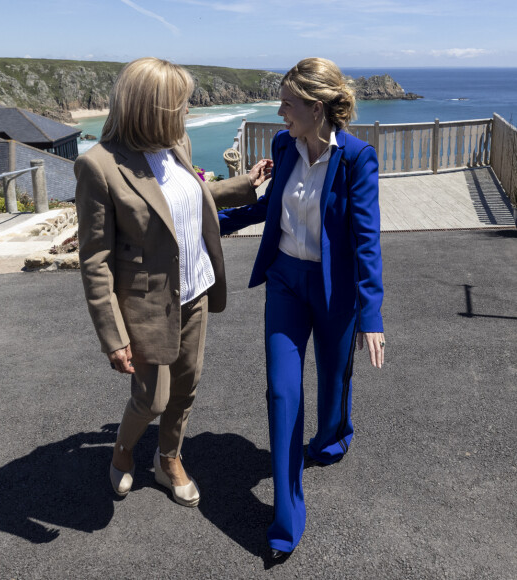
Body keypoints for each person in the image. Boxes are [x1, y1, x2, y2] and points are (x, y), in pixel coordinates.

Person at [74, 57, 271, 507]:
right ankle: (123, 449)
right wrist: (112, 335)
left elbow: (186, 201)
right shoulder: (99, 166)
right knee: (152, 397)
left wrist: (243, 185)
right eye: (178, 105)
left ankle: (169, 458)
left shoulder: (176, 142)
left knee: (185, 387)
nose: (185, 113)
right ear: (151, 108)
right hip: (144, 305)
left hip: (195, 289)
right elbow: (96, 260)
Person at [218, 57, 385, 558]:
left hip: (337, 291)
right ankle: (287, 516)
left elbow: (366, 240)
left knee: (334, 383)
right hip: (286, 284)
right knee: (282, 393)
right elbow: (271, 210)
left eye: (287, 103)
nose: (279, 110)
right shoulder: (280, 146)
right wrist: (215, 223)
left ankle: (333, 435)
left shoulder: (357, 159)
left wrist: (371, 315)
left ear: (316, 108)